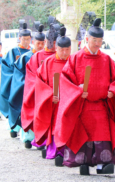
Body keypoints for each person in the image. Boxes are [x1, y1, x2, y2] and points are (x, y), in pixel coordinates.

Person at [54, 18, 115, 175]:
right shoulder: (75, 58)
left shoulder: (107, 59)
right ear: (87, 39)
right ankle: (83, 163)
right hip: (82, 105)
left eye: (100, 40)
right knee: (83, 132)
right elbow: (65, 80)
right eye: (94, 40)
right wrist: (77, 91)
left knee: (103, 131)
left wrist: (113, 91)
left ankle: (104, 163)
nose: (97, 43)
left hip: (100, 105)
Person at [34, 27, 71, 165]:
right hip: (54, 101)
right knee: (55, 125)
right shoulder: (48, 62)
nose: (65, 53)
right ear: (56, 47)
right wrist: (49, 95)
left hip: (69, 101)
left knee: (68, 124)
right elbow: (39, 82)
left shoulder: (73, 61)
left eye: (67, 49)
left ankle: (69, 152)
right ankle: (57, 151)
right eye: (62, 50)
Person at [7, 25, 45, 148]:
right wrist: (31, 84)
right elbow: (19, 76)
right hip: (28, 89)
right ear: (33, 42)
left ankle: (41, 139)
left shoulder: (47, 57)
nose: (40, 46)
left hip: (43, 91)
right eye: (38, 43)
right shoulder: (25, 57)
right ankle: (28, 138)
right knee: (29, 112)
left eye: (42, 43)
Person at [21, 23, 59, 146]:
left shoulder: (61, 57)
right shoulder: (36, 57)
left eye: (55, 43)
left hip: (58, 94)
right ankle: (37, 139)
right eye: (50, 42)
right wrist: (45, 90)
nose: (53, 45)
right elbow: (31, 77)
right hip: (40, 93)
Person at [0, 23, 31, 138]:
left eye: (28, 39)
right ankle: (14, 127)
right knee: (15, 103)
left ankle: (26, 132)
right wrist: (17, 76)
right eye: (24, 39)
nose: (26, 41)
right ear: (19, 38)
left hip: (28, 84)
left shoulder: (32, 52)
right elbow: (6, 68)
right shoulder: (12, 52)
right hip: (15, 83)